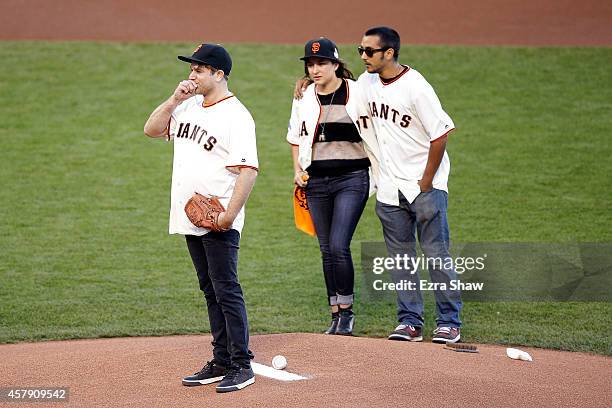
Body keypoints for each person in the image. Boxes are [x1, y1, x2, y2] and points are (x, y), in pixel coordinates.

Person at [143, 43, 258, 392]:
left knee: (226, 288)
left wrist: (228, 215)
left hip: (218, 217)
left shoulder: (236, 115)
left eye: (199, 69)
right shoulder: (188, 106)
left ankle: (241, 364)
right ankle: (221, 359)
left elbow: (248, 171)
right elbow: (151, 129)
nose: (191, 74)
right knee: (210, 289)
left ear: (218, 74)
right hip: (191, 216)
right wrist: (174, 99)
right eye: (191, 68)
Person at [357, 27, 462, 343]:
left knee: (436, 255)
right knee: (401, 258)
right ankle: (410, 321)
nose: (363, 56)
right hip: (390, 188)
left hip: (424, 188)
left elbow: (441, 132)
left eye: (369, 51)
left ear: (389, 53)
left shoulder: (416, 88)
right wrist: (309, 85)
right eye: (360, 50)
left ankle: (449, 321)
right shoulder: (367, 82)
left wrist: (427, 180)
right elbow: (342, 87)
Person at [286, 37, 379, 336]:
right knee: (327, 249)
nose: (315, 69)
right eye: (310, 65)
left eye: (322, 63)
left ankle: (348, 313)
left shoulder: (357, 92)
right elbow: (294, 136)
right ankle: (335, 313)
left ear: (336, 64)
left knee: (339, 245)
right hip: (316, 182)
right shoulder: (304, 97)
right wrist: (297, 170)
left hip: (352, 178)